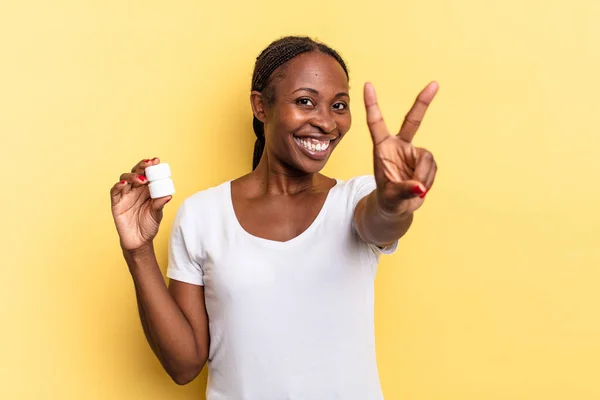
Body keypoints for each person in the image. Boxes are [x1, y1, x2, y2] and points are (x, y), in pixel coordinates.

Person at [110, 36, 438, 399]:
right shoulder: (203, 215)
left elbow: (379, 222)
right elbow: (184, 366)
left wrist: (393, 203)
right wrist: (138, 252)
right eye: (305, 102)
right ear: (260, 106)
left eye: (339, 105)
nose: (327, 122)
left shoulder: (355, 199)